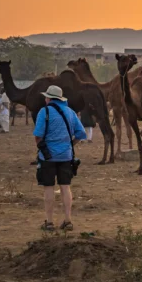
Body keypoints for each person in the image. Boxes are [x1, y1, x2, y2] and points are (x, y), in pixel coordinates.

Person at [33, 85, 87, 232]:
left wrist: (42, 148)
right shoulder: (70, 112)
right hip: (66, 156)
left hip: (47, 156)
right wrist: (71, 144)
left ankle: (49, 222)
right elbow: (82, 133)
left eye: (46, 96)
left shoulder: (44, 112)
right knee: (65, 187)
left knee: (49, 188)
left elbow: (38, 136)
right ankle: (68, 220)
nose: (45, 99)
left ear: (50, 98)